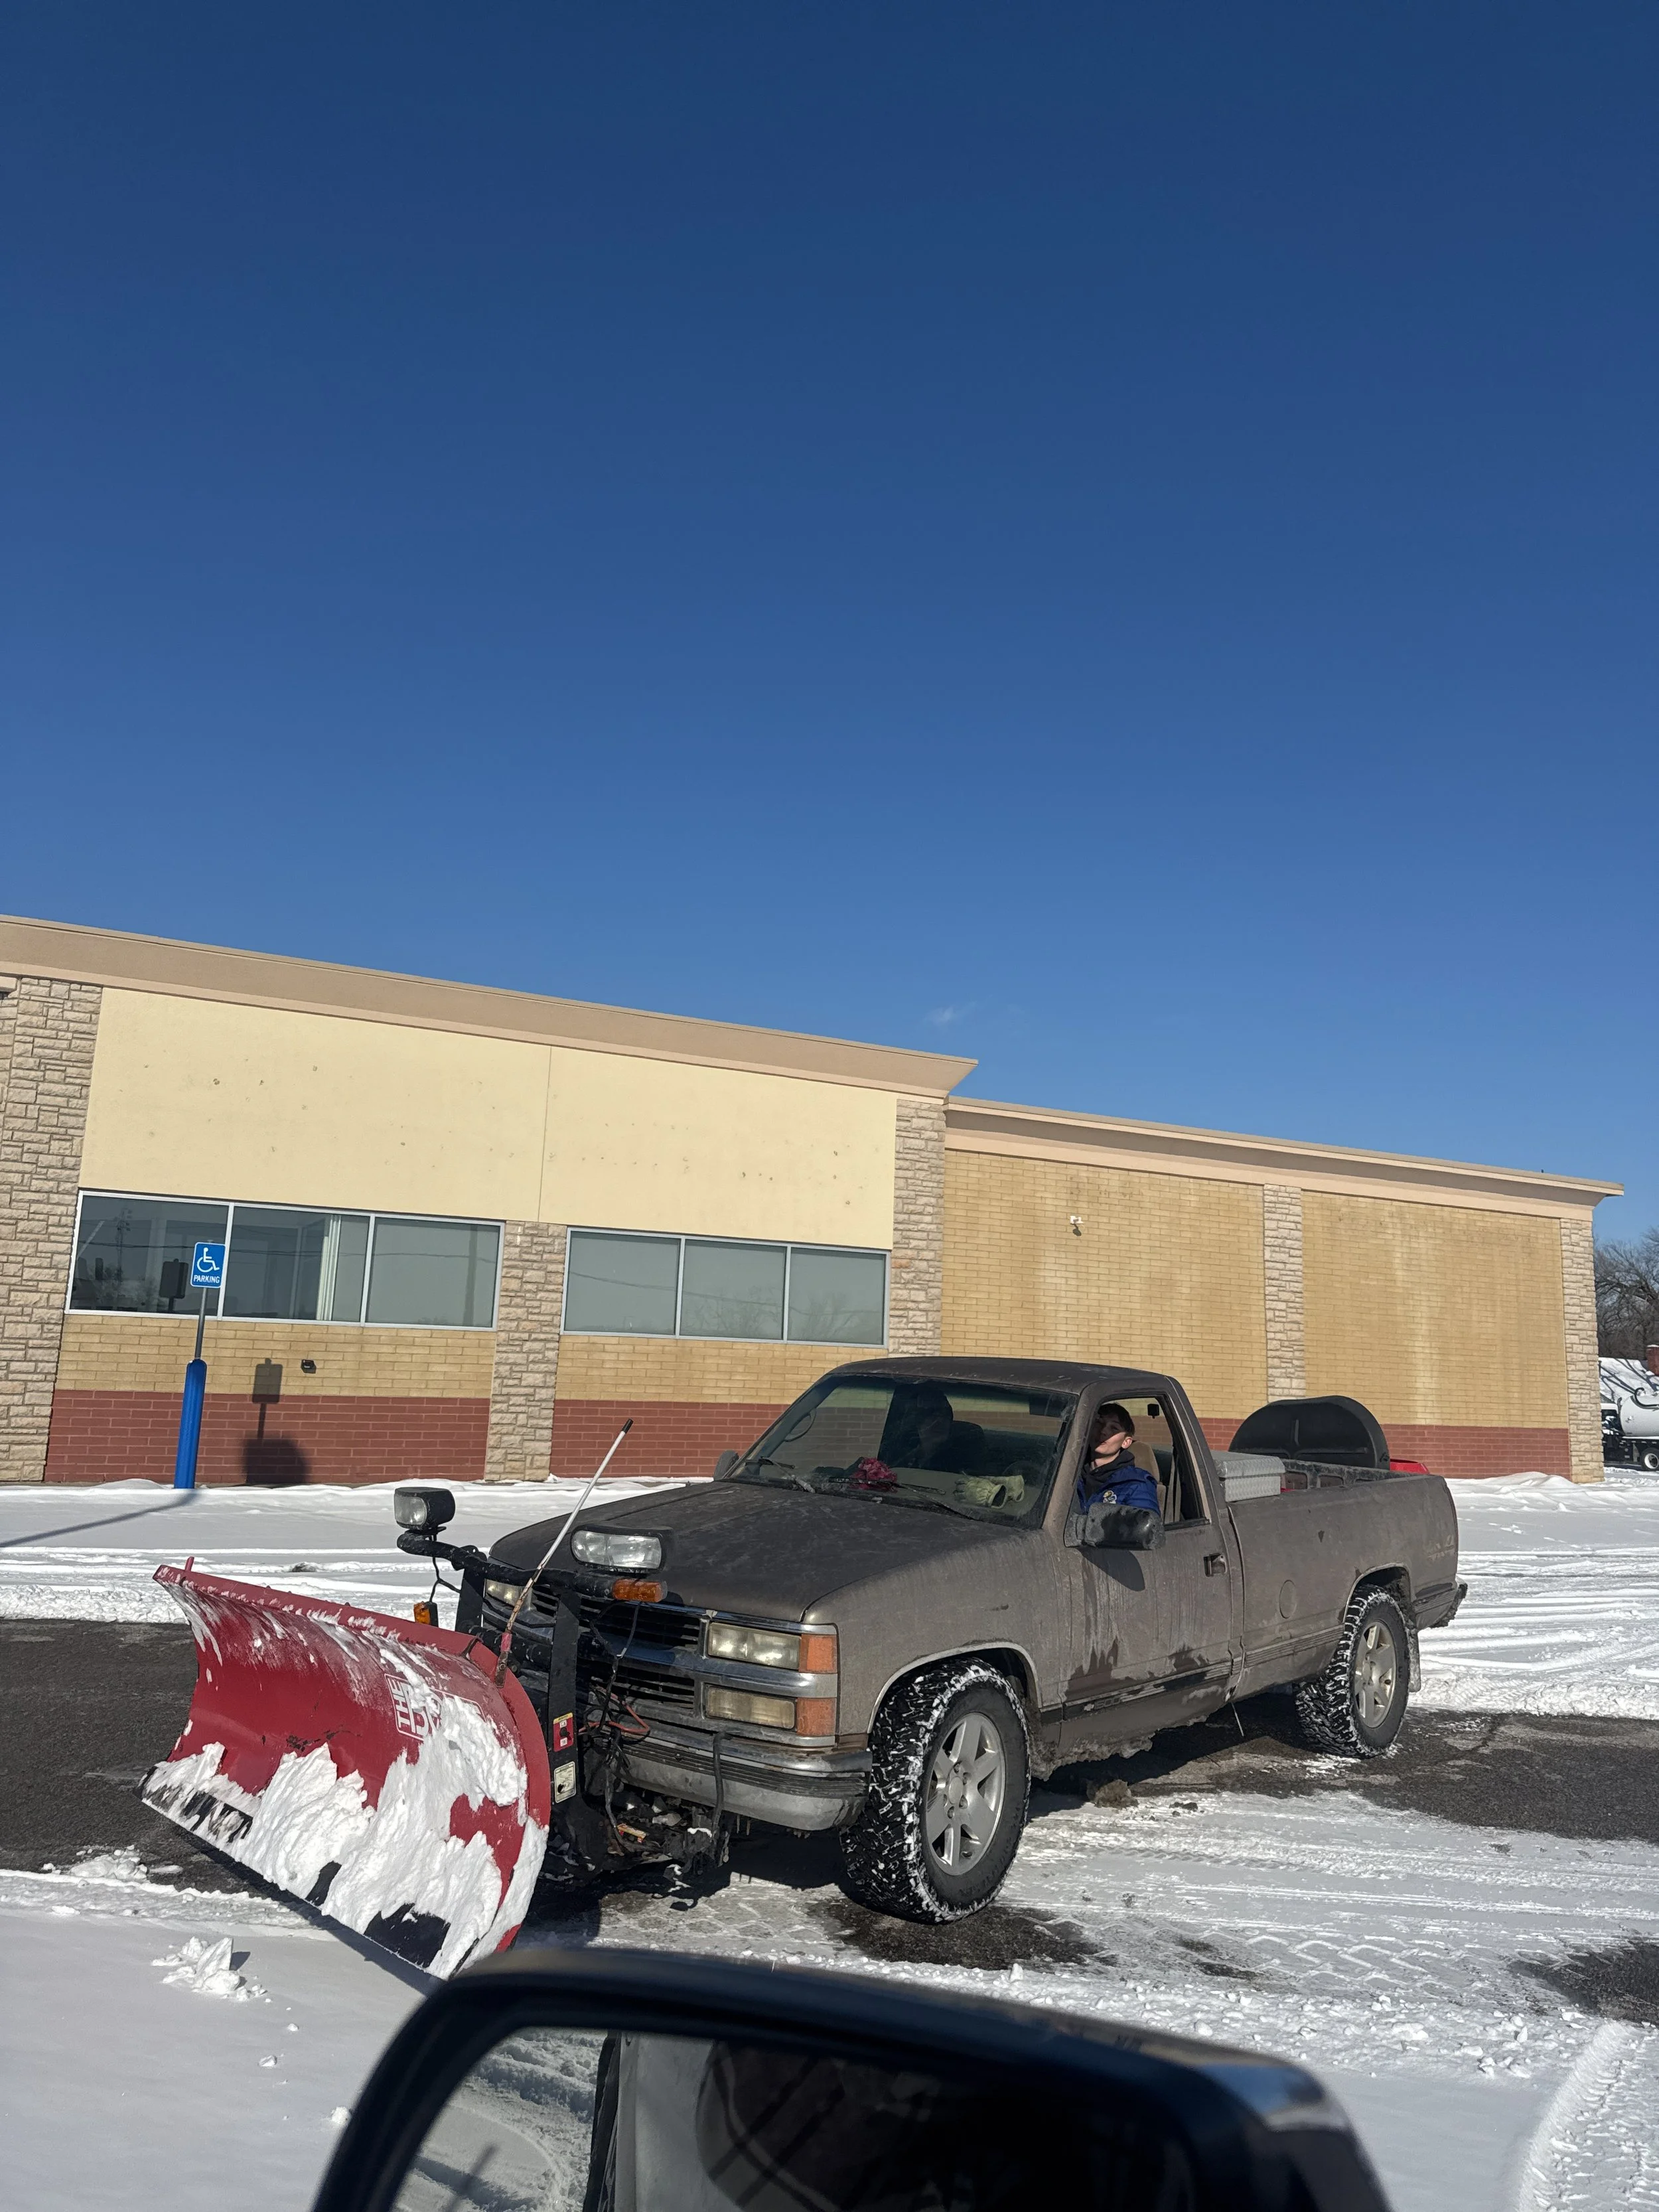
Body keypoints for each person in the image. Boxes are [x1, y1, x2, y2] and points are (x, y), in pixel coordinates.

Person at [1075, 1403, 1160, 1520]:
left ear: (1126, 1442)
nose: (1103, 1431)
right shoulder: (1069, 1472)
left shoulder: (1136, 1484)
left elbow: (1146, 1530)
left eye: (1114, 1428)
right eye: (1099, 1423)